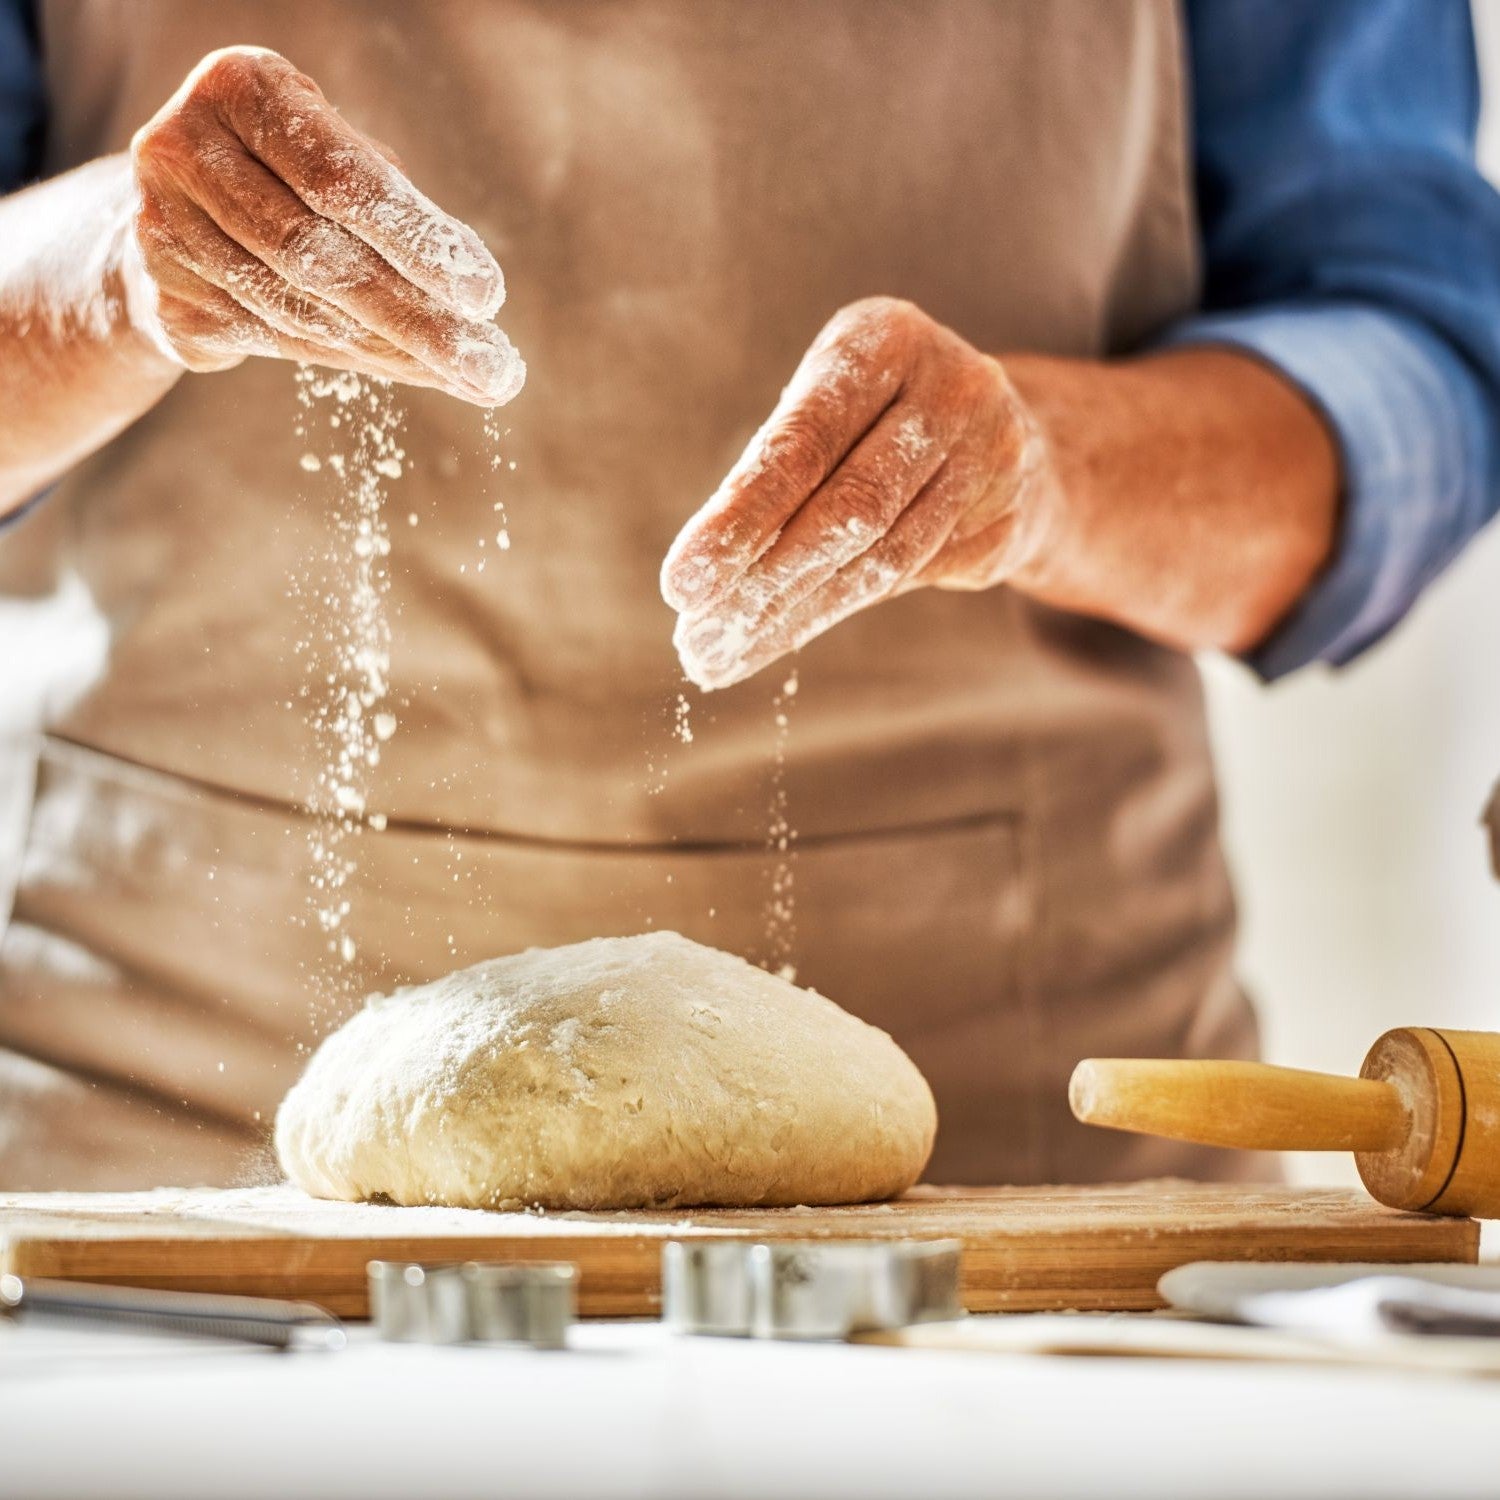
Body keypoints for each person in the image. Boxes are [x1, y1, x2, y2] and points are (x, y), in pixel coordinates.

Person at [1, 1, 1497, 1191]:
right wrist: (108, 277)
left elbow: (1422, 361)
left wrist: (1054, 470)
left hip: (1012, 1164)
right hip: (175, 1121)